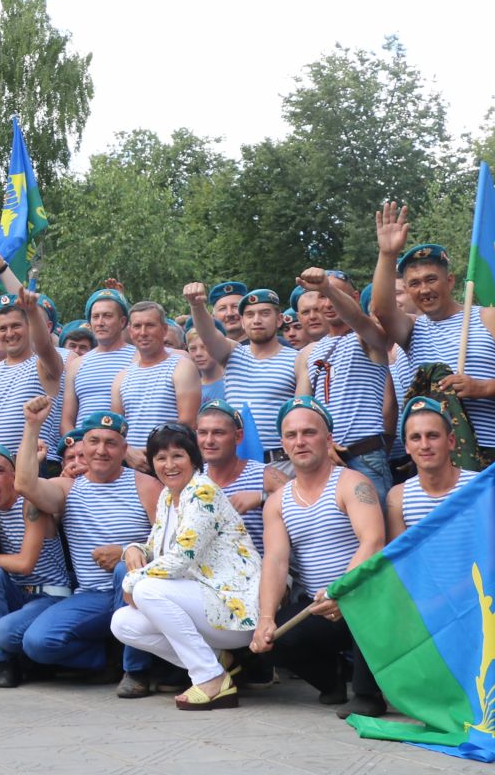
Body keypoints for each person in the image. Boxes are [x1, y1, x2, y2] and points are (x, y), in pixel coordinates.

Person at [12, 397, 161, 695]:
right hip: (92, 596)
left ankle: (138, 671)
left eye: (111, 443)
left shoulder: (146, 485)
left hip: (136, 592)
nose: (101, 450)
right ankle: (105, 658)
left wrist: (124, 552)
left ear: (124, 449)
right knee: (35, 642)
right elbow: (25, 485)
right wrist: (32, 426)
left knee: (123, 570)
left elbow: (171, 544)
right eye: (94, 441)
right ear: (84, 444)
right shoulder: (70, 487)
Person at [250, 397, 387, 717]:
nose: (300, 441)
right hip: (317, 604)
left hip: (360, 595)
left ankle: (369, 693)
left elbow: (373, 540)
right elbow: (275, 561)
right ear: (283, 443)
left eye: (309, 433)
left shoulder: (353, 483)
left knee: (367, 609)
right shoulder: (277, 502)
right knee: (270, 642)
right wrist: (266, 618)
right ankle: (332, 680)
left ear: (328, 439)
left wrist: (342, 591)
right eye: (292, 435)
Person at [109, 423, 261, 710]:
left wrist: (132, 580)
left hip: (236, 609)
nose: (169, 465)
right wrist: (133, 548)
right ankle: (215, 660)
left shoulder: (202, 492)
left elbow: (181, 559)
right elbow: (156, 546)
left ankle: (210, 678)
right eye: (160, 458)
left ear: (193, 459)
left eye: (177, 456)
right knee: (123, 623)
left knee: (147, 589)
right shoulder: (168, 496)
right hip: (205, 603)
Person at [370, 204, 495, 474]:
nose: (424, 289)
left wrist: (481, 388)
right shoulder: (412, 330)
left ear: (450, 281)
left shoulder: (488, 318)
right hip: (433, 455)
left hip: (490, 446)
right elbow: (381, 309)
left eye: (431, 279)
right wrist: (387, 254)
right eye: (414, 283)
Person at [0, 443, 70, 688]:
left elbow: (25, 564)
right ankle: (6, 663)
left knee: (2, 630)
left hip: (49, 595)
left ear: (14, 475)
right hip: (18, 594)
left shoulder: (30, 503)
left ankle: (83, 659)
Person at [292, 269, 400, 496]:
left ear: (355, 297)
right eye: (322, 296)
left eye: (335, 294)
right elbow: (301, 409)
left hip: (366, 455)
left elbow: (357, 319)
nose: (329, 302)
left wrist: (326, 288)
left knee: (375, 530)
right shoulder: (309, 352)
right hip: (324, 459)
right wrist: (324, 447)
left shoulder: (368, 338)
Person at [0, 243, 64, 477]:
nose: (9, 333)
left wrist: (3, 270)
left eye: (16, 325)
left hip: (33, 466)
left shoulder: (44, 363)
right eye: (2, 328)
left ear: (29, 326)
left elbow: (43, 342)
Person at [187, 286, 296, 468]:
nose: (257, 320)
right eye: (250, 315)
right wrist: (196, 305)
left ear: (279, 320)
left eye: (264, 313)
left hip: (282, 462)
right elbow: (208, 334)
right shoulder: (232, 353)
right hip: (236, 463)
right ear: (243, 322)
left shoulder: (297, 358)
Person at [110, 303, 198, 467]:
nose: (143, 332)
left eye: (150, 325)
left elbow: (188, 422)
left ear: (164, 329)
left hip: (170, 463)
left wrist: (155, 454)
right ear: (130, 331)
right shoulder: (121, 377)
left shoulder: (182, 367)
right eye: (137, 326)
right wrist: (128, 452)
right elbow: (117, 429)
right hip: (131, 466)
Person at [196, 400, 281, 557]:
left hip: (258, 574)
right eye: (203, 432)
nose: (208, 440)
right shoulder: (193, 480)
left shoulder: (263, 475)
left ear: (238, 436)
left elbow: (304, 500)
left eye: (218, 433)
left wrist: (262, 497)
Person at [384, 396, 476, 539]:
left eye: (432, 436)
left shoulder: (477, 486)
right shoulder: (398, 497)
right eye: (415, 437)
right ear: (406, 446)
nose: (425, 445)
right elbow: (401, 559)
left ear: (451, 441)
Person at [62, 289, 138, 436]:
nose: (100, 322)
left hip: (126, 448)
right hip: (83, 450)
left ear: (122, 321)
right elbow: (66, 420)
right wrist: (78, 445)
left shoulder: (138, 358)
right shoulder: (77, 365)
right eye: (95, 317)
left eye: (107, 316)